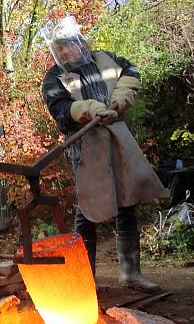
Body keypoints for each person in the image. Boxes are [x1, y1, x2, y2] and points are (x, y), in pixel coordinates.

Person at [40, 15, 167, 293]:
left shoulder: (106, 60)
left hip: (117, 139)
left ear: (80, 42)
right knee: (89, 207)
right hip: (85, 145)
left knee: (127, 200)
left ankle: (131, 273)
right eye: (59, 48)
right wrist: (88, 109)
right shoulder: (54, 77)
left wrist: (119, 100)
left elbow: (131, 72)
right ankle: (84, 281)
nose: (65, 52)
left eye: (68, 45)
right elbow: (60, 110)